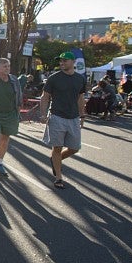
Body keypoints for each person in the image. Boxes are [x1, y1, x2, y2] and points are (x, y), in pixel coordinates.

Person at [39, 52, 87, 190]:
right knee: (57, 148)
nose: (62, 63)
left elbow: (80, 98)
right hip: (57, 116)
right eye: (60, 61)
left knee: (74, 148)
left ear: (73, 62)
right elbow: (45, 97)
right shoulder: (54, 78)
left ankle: (55, 160)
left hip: (73, 118)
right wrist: (43, 115)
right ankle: (58, 177)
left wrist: (82, 116)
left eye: (65, 61)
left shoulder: (80, 79)